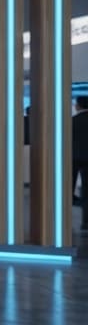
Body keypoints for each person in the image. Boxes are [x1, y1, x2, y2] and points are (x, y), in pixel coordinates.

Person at [73, 97, 88, 230]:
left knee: (67, 188)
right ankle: (86, 223)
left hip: (73, 158)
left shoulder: (72, 121)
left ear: (78, 106)